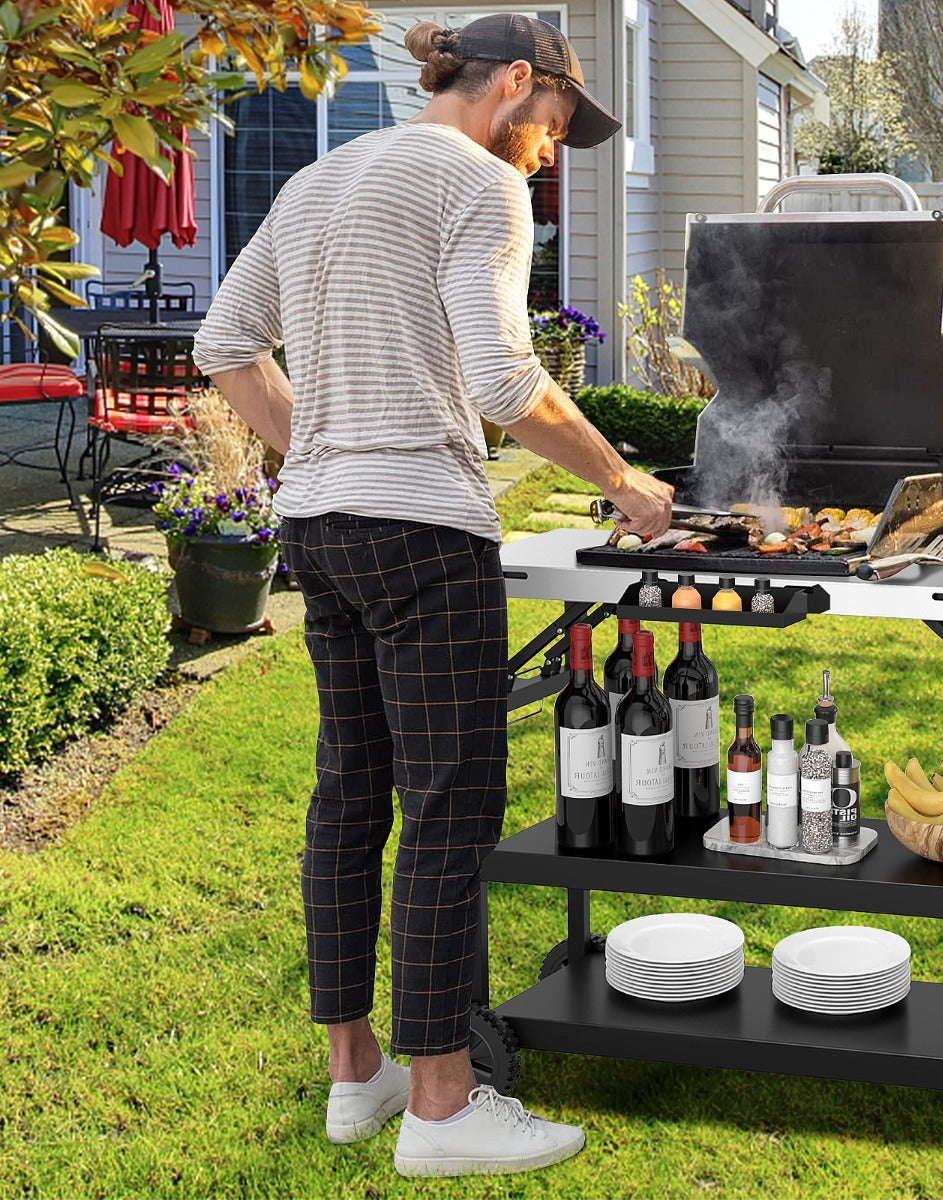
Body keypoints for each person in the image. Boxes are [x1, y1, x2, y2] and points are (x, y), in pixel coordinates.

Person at [191, 12, 674, 1181]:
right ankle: (446, 1107)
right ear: (516, 84)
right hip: (422, 537)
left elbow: (225, 343)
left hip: (321, 532)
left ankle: (356, 1076)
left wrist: (324, 453)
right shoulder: (480, 182)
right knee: (449, 812)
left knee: (350, 799)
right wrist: (625, 482)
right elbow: (506, 380)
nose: (550, 153)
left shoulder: (319, 179)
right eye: (554, 124)